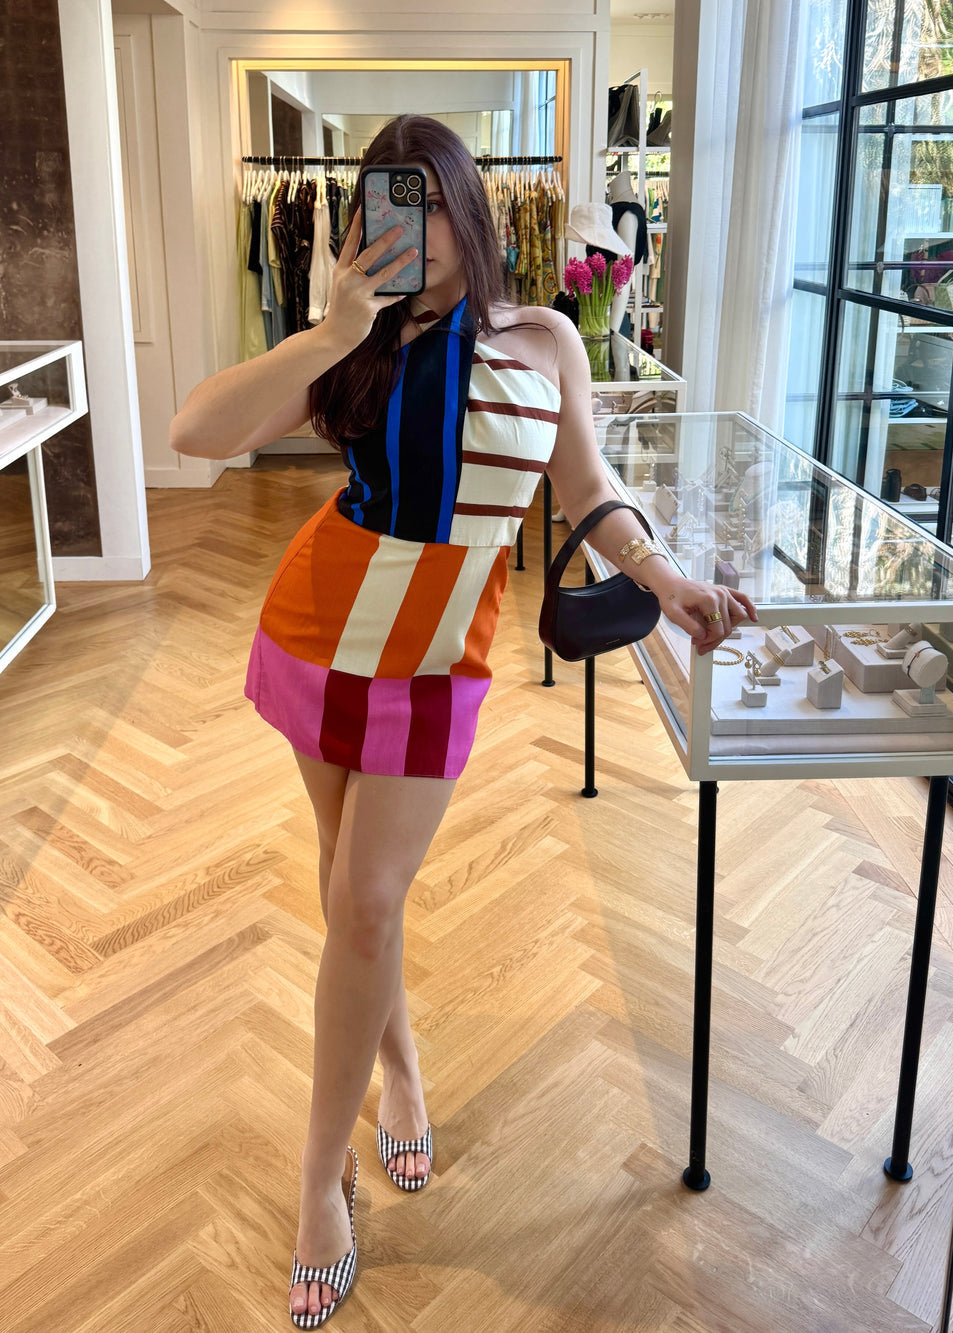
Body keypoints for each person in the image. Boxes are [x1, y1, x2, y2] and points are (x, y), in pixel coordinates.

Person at [170, 114, 757, 1329]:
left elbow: (585, 489)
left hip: (439, 657)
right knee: (352, 889)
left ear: (470, 209)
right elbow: (197, 434)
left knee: (365, 898)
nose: (416, 225)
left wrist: (659, 578)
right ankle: (389, 1076)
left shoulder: (542, 338)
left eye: (432, 198)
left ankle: (318, 1174)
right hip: (319, 630)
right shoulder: (353, 345)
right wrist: (328, 331)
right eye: (389, 200)